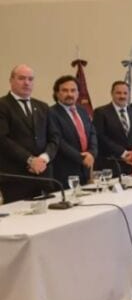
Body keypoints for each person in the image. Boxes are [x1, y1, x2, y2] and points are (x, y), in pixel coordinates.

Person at [0, 64, 60, 202]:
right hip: (17, 178)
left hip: (44, 175)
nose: (26, 83)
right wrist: (30, 160)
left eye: (30, 79)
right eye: (21, 78)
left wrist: (44, 159)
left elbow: (54, 137)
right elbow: (3, 139)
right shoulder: (3, 105)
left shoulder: (43, 106)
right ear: (11, 80)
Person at [50, 75, 97, 186]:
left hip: (86, 168)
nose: (70, 94)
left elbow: (92, 133)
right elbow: (58, 141)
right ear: (57, 93)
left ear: (78, 93)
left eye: (73, 90)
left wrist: (92, 153)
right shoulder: (51, 113)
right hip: (65, 170)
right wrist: (81, 158)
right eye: (65, 90)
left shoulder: (83, 110)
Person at [93, 81, 132, 175]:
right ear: (112, 94)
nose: (122, 96)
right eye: (118, 93)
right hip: (111, 164)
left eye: (125, 93)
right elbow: (100, 136)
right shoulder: (101, 112)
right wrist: (123, 153)